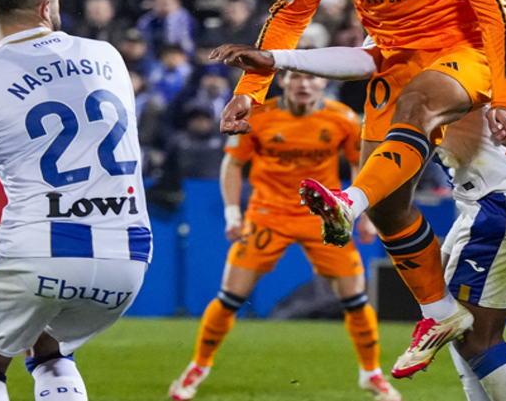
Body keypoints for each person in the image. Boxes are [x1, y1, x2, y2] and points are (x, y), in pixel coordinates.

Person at [216, 0, 506, 377]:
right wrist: (250, 93)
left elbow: (494, 12)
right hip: (389, 58)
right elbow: (288, 16)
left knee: (417, 106)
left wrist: (505, 97)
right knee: (390, 208)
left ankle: (345, 203)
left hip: (462, 51)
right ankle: (438, 311)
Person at [209, 42, 506, 401]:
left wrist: (276, 60)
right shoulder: (462, 63)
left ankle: (352, 204)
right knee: (463, 331)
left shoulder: (430, 72)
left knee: (478, 339)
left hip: (504, 202)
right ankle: (431, 307)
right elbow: (368, 57)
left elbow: (367, 60)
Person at [0, 0, 150, 400]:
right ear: (48, 5)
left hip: (41, 250)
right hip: (128, 255)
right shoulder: (107, 56)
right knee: (48, 350)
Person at [168, 69, 400, 401]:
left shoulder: (344, 119)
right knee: (230, 296)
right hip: (268, 215)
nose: (303, 84)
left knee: (355, 297)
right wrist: (233, 214)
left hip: (322, 217)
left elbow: (358, 165)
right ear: (282, 81)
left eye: (312, 78)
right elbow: (233, 164)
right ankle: (198, 367)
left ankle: (372, 374)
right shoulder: (258, 117)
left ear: (324, 81)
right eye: (295, 77)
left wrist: (362, 214)